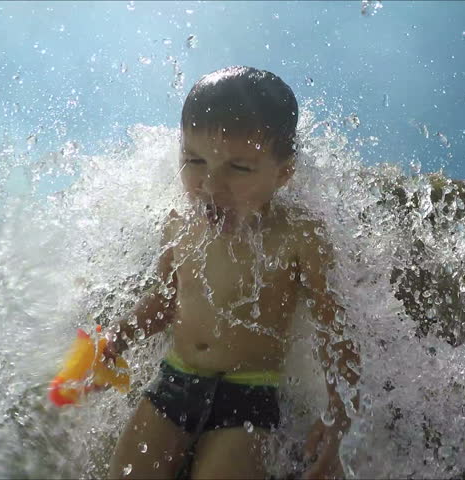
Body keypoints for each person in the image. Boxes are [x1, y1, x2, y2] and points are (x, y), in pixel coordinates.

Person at [103, 66, 359, 479]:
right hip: (174, 383)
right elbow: (165, 301)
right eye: (194, 160)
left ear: (284, 172)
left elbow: (335, 331)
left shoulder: (298, 235)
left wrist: (339, 416)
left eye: (238, 168)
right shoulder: (179, 225)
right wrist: (118, 337)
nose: (210, 183)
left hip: (249, 396)